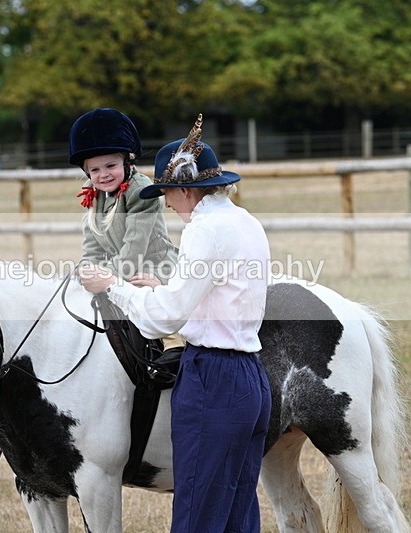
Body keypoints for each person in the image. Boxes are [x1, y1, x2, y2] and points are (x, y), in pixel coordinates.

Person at [80, 114, 272, 533]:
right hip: (252, 380)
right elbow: (220, 295)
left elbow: (161, 320)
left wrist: (114, 285)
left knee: (195, 514)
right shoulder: (246, 221)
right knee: (238, 514)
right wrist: (160, 287)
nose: (166, 203)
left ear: (186, 189)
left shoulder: (204, 230)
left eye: (168, 193)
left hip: (213, 378)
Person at [69, 108, 184, 358]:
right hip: (117, 269)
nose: (103, 175)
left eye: (111, 165)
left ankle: (175, 345)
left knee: (144, 291)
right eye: (95, 170)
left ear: (127, 162)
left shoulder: (141, 191)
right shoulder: (93, 192)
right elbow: (92, 247)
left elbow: (134, 250)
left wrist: (103, 277)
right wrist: (86, 270)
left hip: (151, 267)